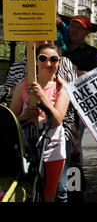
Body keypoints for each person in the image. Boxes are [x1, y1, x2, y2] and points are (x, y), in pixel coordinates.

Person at [10, 44, 71, 202]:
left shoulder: (63, 88)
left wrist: (42, 97)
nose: (48, 63)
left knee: (50, 194)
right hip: (28, 147)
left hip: (54, 147)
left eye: (53, 59)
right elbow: (12, 118)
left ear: (59, 63)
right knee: (29, 189)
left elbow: (57, 121)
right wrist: (24, 116)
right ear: (35, 61)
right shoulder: (22, 86)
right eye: (43, 58)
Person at [64, 14, 97, 201]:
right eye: (72, 25)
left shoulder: (92, 53)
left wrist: (67, 71)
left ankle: (76, 194)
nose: (74, 30)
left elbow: (93, 80)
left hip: (75, 112)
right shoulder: (57, 47)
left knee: (74, 153)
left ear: (87, 31)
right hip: (52, 107)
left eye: (79, 27)